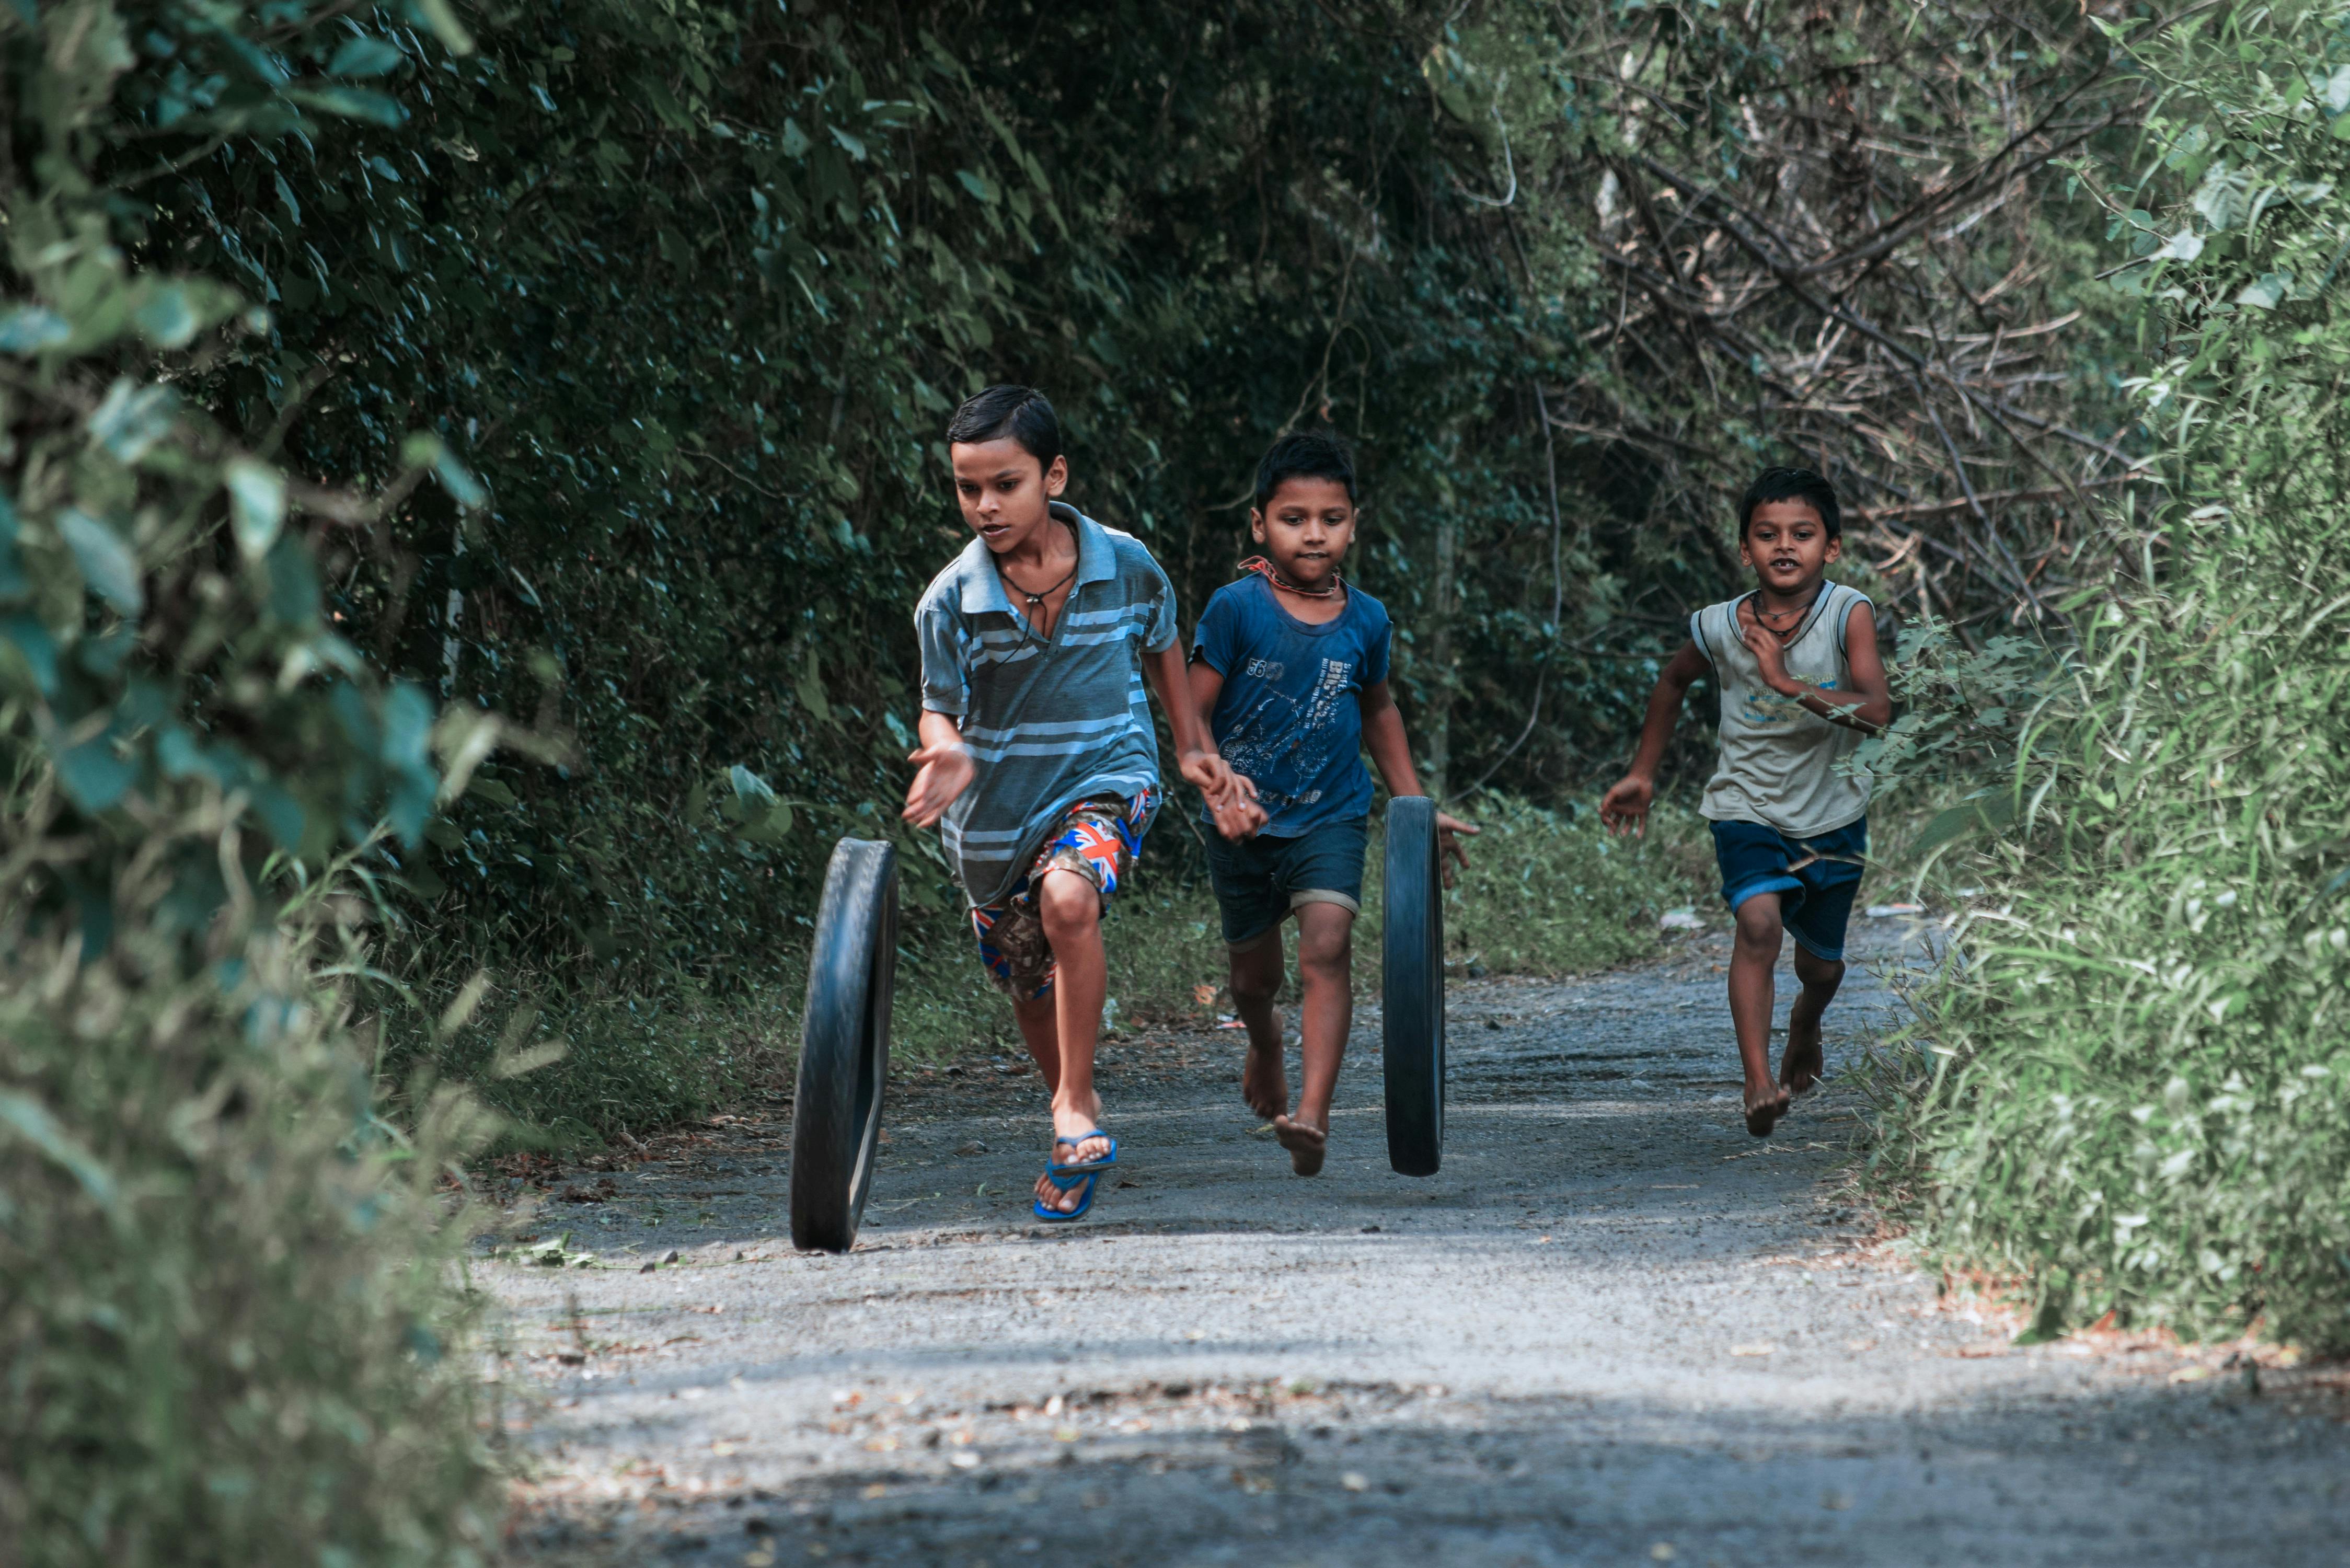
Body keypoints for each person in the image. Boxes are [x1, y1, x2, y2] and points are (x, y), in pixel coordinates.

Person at [903, 385, 1258, 1223]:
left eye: (1006, 484)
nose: (984, 506)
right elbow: (936, 703)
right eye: (966, 488)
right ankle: (1067, 1119)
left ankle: (1078, 1106)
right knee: (1027, 977)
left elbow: (1163, 639)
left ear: (1052, 475)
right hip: (992, 821)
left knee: (1069, 899)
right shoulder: (949, 599)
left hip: (1106, 775)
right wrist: (946, 746)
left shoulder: (1125, 562)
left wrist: (1192, 748)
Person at [1189, 431, 1476, 1176]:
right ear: (1259, 525)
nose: (1314, 533)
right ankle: (1265, 1046)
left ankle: (1312, 1113)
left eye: (1331, 518)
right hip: (1241, 824)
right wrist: (1219, 785)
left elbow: (1379, 710)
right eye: (1293, 518)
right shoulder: (1235, 609)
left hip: (1331, 812)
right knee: (1255, 982)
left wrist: (1415, 805)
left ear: (1353, 523)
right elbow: (1191, 716)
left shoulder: (1367, 620)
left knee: (1327, 947)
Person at [1599, 466, 1891, 1136]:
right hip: (1745, 804)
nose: (1783, 547)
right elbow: (1673, 681)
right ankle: (1757, 1080)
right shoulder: (1718, 625)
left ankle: (1803, 1024)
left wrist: (1784, 683)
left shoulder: (1849, 613)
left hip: (1834, 812)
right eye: (1766, 535)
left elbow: (1876, 711)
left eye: (1802, 534)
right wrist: (1643, 773)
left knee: (1819, 966)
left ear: (1832, 548)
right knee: (1757, 925)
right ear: (1744, 551)